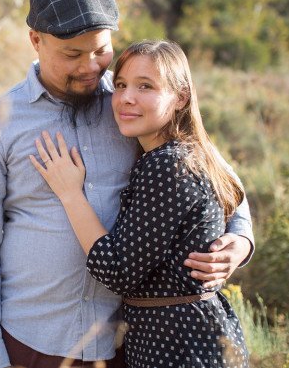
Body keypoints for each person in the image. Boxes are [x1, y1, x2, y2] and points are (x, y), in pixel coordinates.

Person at [0, 0, 254, 368]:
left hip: (130, 345)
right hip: (32, 344)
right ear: (36, 40)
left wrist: (240, 241)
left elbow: (217, 174)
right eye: (72, 54)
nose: (89, 66)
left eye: (100, 51)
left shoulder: (134, 103)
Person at [30, 40, 249, 367]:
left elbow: (116, 270)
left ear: (181, 98)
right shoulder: (186, 153)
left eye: (145, 86)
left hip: (181, 347)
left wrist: (70, 194)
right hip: (189, 336)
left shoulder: (167, 165)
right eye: (120, 85)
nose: (126, 98)